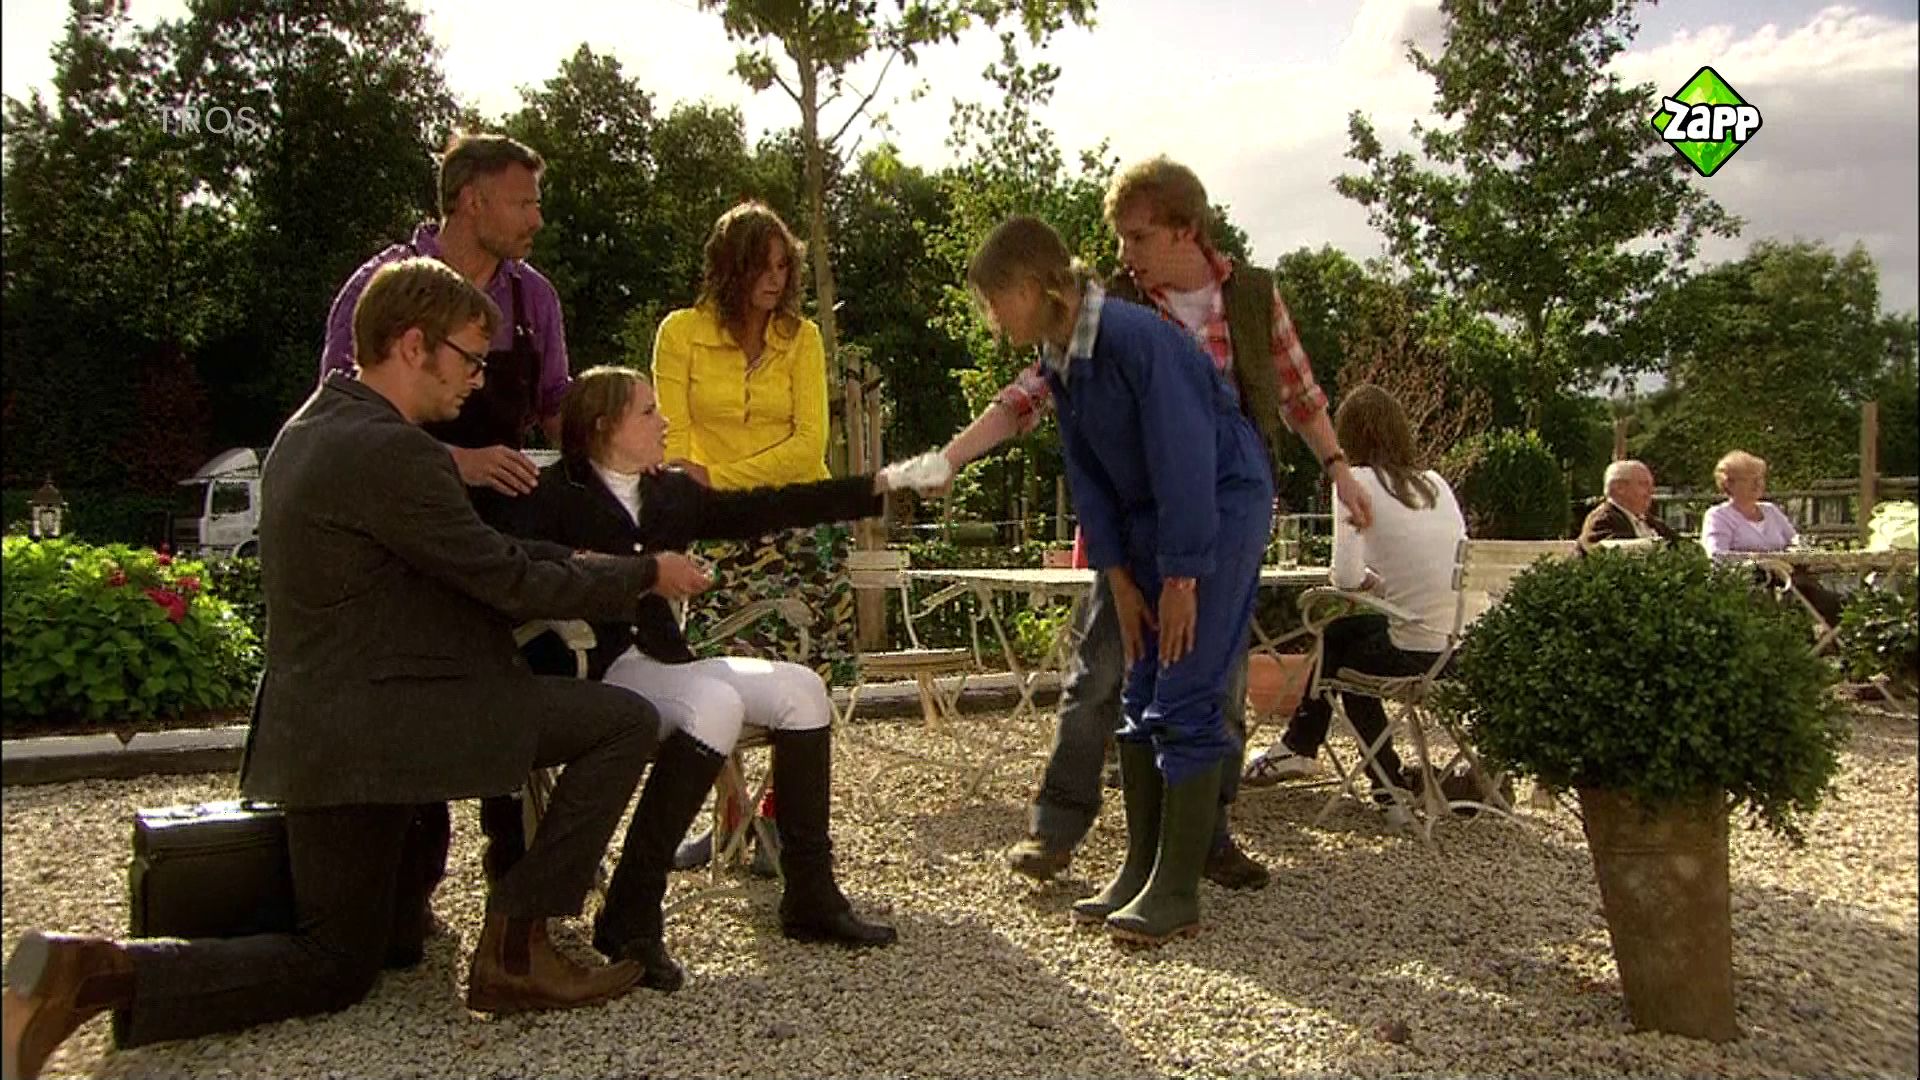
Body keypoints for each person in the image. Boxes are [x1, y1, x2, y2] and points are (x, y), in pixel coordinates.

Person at [1, 259, 712, 1080]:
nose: (478, 380)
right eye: (469, 359)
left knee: (336, 960)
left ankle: (89, 970)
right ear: (412, 345)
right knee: (623, 722)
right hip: (392, 721)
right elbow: (503, 577)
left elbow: (470, 553)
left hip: (320, 731)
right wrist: (639, 573)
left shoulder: (310, 429)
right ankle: (519, 945)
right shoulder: (393, 452)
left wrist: (579, 562)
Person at [936, 157, 1374, 891]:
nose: (1123, 252)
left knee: (1218, 679)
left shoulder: (1253, 297)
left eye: (1137, 237)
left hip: (1221, 512)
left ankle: (1204, 837)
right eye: (1120, 237)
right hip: (1145, 520)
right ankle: (1061, 825)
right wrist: (952, 457)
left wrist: (1338, 468)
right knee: (1103, 667)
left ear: (1186, 231)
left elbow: (1300, 395)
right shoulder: (1112, 308)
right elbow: (1033, 394)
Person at [498, 366, 898, 993]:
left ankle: (810, 895)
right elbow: (515, 561)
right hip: (595, 669)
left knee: (803, 691)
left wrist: (878, 487)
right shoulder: (550, 494)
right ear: (604, 426)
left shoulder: (669, 494)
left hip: (663, 659)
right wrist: (632, 571)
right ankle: (631, 912)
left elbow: (767, 507)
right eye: (648, 411)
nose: (664, 423)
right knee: (713, 703)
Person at [967, 214, 1273, 946]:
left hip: (1216, 506)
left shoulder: (1135, 340)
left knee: (1187, 684)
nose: (991, 318)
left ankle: (1177, 890)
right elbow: (1090, 478)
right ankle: (1140, 869)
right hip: (1146, 521)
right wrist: (1120, 578)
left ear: (1031, 287)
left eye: (993, 301)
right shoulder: (1060, 357)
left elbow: (1184, 456)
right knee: (1138, 686)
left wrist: (1183, 579)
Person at [320, 132, 571, 889]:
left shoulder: (534, 299)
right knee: (413, 697)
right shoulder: (381, 288)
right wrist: (457, 463)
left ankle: (517, 882)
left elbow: (556, 410)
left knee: (520, 682)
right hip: (397, 530)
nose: (537, 218)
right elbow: (343, 422)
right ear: (471, 200)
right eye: (523, 202)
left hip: (502, 525)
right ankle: (406, 888)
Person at [650, 201, 845, 871]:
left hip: (800, 528)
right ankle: (731, 817)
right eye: (761, 265)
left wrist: (720, 478)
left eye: (784, 265)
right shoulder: (680, 333)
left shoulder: (803, 338)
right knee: (717, 674)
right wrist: (702, 487)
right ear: (729, 268)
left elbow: (809, 445)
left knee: (802, 679)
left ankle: (780, 820)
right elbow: (672, 444)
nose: (775, 278)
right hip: (718, 532)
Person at [1240, 386, 1467, 819]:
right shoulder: (1436, 484)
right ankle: (1311, 750)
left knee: (1342, 652)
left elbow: (1343, 578)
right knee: (1344, 636)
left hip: (1411, 652)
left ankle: (1372, 781)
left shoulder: (1355, 481)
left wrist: (1370, 583)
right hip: (1455, 651)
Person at [1701, 449, 1844, 624]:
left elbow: (1795, 541)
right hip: (1748, 585)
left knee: (1834, 602)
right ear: (1729, 484)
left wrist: (1805, 551)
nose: (1758, 484)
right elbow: (1717, 556)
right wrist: (1759, 563)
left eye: (1760, 478)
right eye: (1750, 479)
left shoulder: (1770, 510)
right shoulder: (1718, 516)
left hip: (1789, 581)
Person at [1578, 460, 1681, 552]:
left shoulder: (1653, 523)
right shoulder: (1601, 521)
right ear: (1619, 488)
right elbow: (1604, 553)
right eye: (1643, 484)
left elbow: (1681, 546)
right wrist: (1651, 546)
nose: (1651, 491)